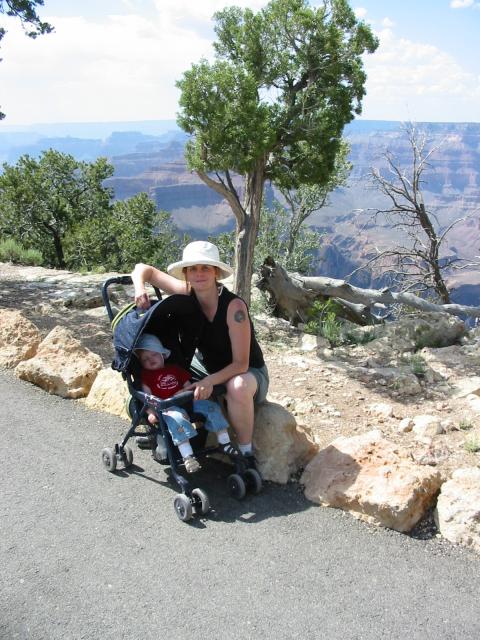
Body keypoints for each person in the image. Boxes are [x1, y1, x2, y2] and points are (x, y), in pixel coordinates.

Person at [131, 241, 269, 469]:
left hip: (248, 373)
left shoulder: (234, 307)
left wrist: (208, 382)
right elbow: (142, 269)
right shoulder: (187, 292)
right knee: (162, 371)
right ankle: (161, 430)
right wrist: (139, 288)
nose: (199, 274)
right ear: (186, 273)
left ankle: (246, 453)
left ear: (216, 272)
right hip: (207, 367)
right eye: (193, 268)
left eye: (205, 267)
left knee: (237, 386)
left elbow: (241, 363)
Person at [135, 333, 236, 473]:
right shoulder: (146, 376)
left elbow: (188, 386)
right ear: (141, 363)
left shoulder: (175, 369)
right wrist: (151, 412)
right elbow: (146, 397)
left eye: (154, 355)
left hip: (188, 401)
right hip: (167, 407)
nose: (151, 360)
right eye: (146, 359)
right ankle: (188, 457)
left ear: (163, 355)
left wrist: (186, 394)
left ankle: (225, 442)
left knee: (211, 407)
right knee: (177, 420)